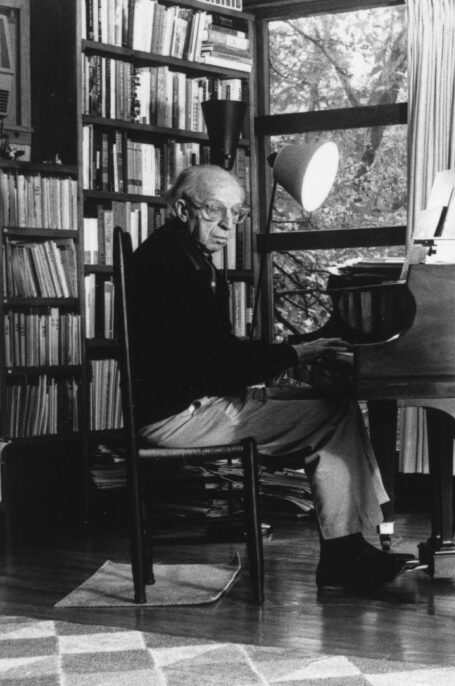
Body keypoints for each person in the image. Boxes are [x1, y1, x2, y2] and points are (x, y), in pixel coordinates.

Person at [128, 164, 410, 590]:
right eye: (213, 211)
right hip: (177, 417)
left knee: (336, 408)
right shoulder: (171, 268)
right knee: (332, 412)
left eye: (236, 213)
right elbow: (215, 364)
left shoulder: (184, 257)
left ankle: (350, 547)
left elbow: (214, 353)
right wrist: (294, 353)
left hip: (198, 402)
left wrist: (297, 350)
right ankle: (345, 554)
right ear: (181, 209)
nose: (226, 225)